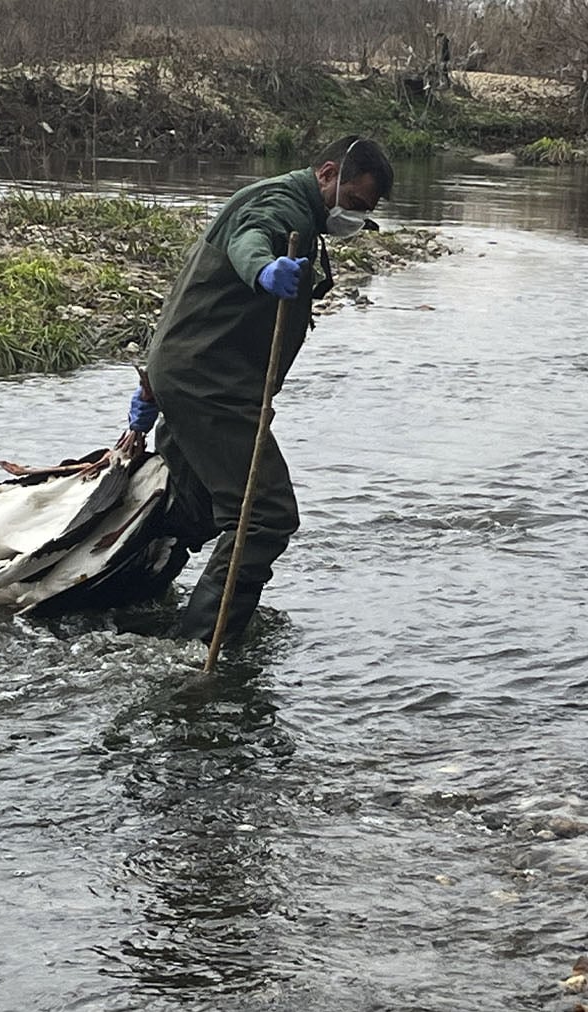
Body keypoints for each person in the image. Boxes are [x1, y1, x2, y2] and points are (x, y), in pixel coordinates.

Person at [121, 136, 394, 646]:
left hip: (192, 375)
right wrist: (263, 270)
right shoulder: (282, 205)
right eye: (355, 202)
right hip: (208, 386)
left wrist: (155, 381)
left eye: (366, 210)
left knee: (193, 508)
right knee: (264, 516)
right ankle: (200, 646)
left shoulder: (306, 220)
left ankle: (120, 595)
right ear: (328, 173)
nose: (356, 217)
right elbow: (251, 240)